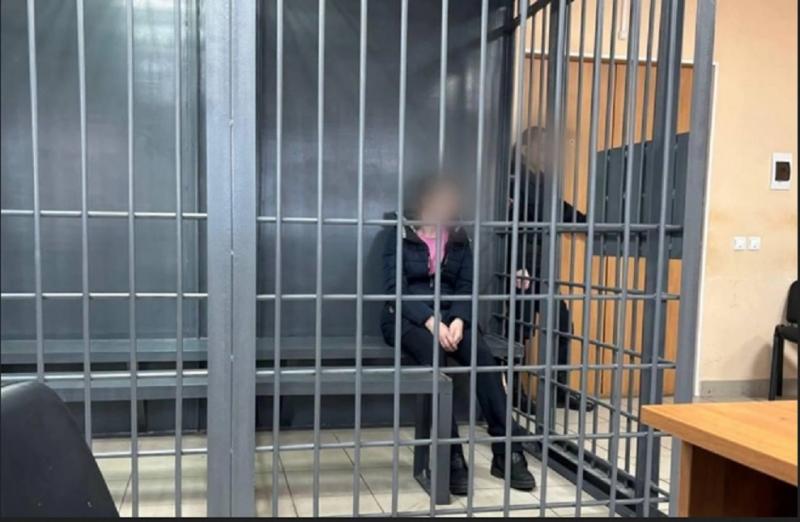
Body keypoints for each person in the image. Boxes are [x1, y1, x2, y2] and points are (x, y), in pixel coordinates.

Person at [380, 175, 536, 495]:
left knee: (484, 359)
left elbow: (466, 287)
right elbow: (396, 289)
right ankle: (450, 454)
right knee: (434, 357)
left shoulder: (459, 237)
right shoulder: (399, 232)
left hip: (452, 317)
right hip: (408, 318)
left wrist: (460, 321)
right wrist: (431, 322)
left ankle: (507, 451)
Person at [508, 126, 594, 411]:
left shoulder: (544, 178)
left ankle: (557, 390)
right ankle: (513, 393)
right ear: (525, 148)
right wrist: (516, 265)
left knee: (561, 324)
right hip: (519, 265)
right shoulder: (510, 176)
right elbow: (506, 224)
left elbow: (559, 208)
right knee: (517, 330)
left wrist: (589, 222)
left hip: (542, 264)